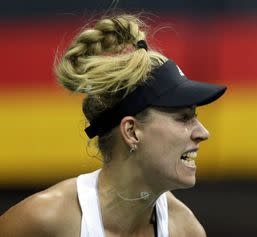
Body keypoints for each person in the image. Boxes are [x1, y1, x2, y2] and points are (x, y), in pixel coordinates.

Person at [0, 14, 226, 237]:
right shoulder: (44, 221)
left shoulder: (185, 230)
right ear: (131, 131)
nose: (203, 132)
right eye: (184, 118)